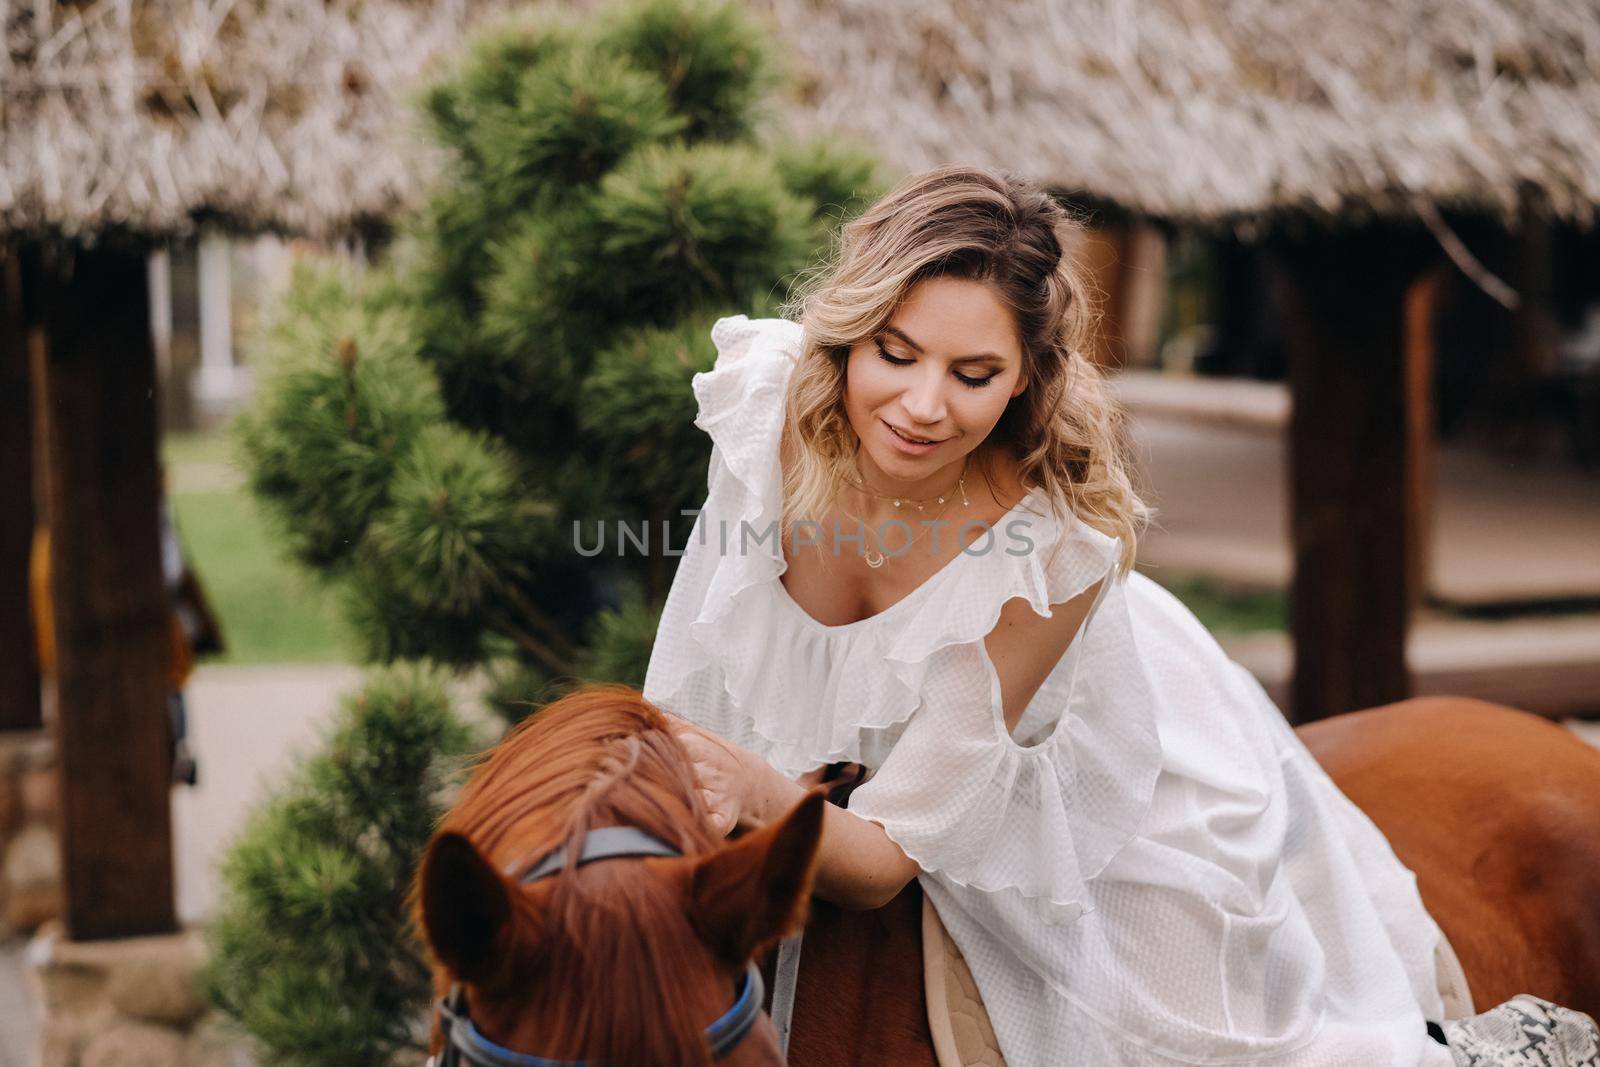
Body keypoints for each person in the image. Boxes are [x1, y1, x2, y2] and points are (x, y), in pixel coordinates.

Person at [640, 166, 1594, 1065]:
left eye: (973, 374)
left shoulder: (1053, 557)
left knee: (1192, 1024)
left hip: (1073, 751)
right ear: (848, 335)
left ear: (1024, 379)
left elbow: (887, 861)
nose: (922, 406)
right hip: (816, 771)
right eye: (895, 354)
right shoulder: (766, 411)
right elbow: (691, 677)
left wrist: (758, 788)